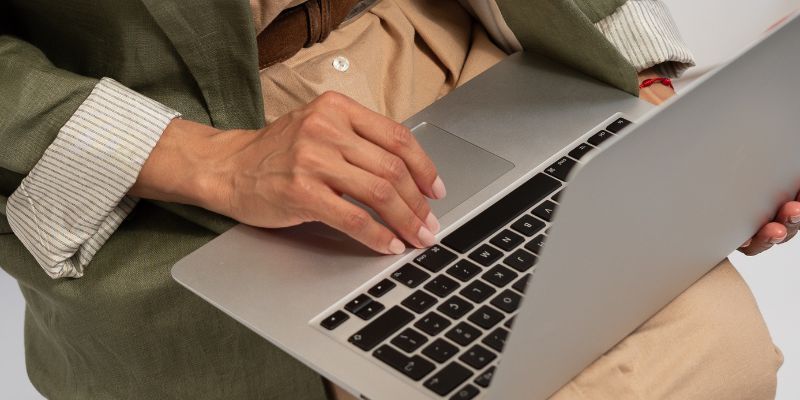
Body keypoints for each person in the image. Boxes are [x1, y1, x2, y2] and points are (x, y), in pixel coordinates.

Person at [0, 0, 788, 398]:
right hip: (193, 142)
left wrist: (658, 94)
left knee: (724, 350)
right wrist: (212, 161)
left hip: (466, 53)